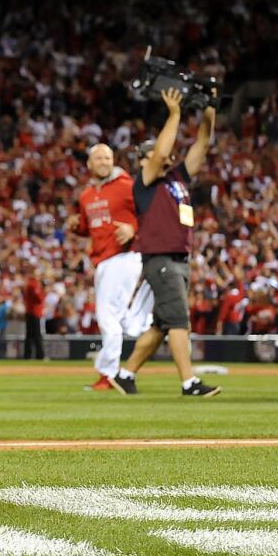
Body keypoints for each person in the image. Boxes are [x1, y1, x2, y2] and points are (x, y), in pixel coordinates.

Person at [111, 87, 219, 398]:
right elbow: (158, 155)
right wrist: (174, 114)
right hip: (161, 258)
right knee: (179, 319)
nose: (166, 155)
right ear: (141, 161)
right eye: (155, 154)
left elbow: (202, 143)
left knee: (161, 324)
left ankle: (126, 374)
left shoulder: (178, 178)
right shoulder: (144, 184)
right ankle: (189, 383)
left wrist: (209, 110)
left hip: (177, 257)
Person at [66, 143, 151, 391]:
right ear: (89, 164)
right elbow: (87, 226)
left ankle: (109, 374)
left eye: (108, 157)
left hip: (124, 256)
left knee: (107, 316)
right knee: (120, 319)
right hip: (102, 258)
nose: (104, 162)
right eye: (99, 158)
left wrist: (133, 228)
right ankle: (153, 324)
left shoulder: (128, 186)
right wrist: (75, 225)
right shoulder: (86, 195)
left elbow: (150, 213)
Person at [22, 269, 45, 360]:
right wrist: (43, 293)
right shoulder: (34, 284)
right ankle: (40, 356)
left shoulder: (29, 284)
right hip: (34, 312)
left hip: (29, 311)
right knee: (36, 335)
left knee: (29, 335)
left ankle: (27, 356)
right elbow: (39, 298)